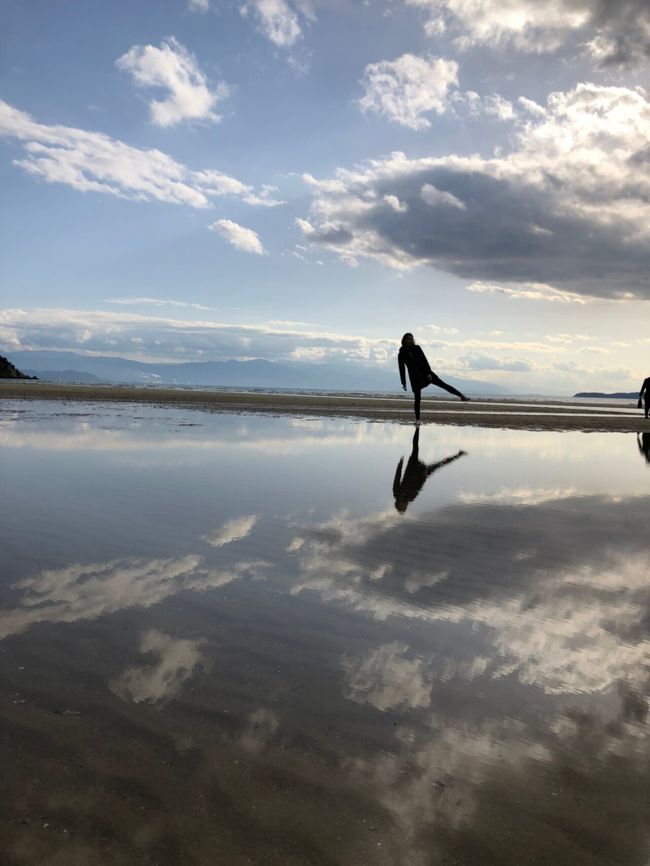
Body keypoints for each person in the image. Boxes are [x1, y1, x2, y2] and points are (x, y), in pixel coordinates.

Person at [393, 427, 467, 513]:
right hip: (421, 473)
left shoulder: (398, 493)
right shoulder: (410, 498)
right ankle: (459, 454)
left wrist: (400, 464)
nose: (406, 507)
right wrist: (424, 475)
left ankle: (417, 429)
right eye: (405, 508)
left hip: (413, 468)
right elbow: (418, 487)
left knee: (416, 448)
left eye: (404, 507)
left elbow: (397, 477)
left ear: (399, 504)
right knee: (440, 464)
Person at [398, 332, 468, 422]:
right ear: (404, 340)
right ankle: (417, 420)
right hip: (415, 377)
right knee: (417, 398)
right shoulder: (401, 354)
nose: (409, 340)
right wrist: (403, 382)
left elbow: (424, 360)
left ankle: (461, 396)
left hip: (425, 373)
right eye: (408, 339)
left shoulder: (417, 348)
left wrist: (428, 373)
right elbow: (402, 369)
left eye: (411, 339)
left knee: (443, 385)